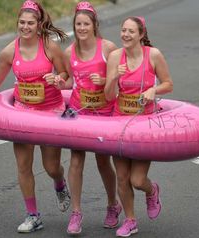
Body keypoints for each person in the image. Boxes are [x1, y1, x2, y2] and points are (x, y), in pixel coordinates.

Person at [0, 0, 71, 233]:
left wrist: (57, 79)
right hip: (23, 114)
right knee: (23, 166)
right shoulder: (9, 51)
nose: (25, 27)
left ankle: (59, 184)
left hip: (50, 112)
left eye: (30, 23)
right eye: (22, 23)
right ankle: (33, 216)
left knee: (51, 166)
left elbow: (65, 73)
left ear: (38, 25)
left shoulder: (49, 47)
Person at [104, 16, 173, 237]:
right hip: (120, 121)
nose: (125, 35)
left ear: (141, 34)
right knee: (122, 177)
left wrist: (154, 90)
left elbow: (168, 84)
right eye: (123, 30)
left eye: (131, 31)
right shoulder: (115, 57)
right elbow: (107, 95)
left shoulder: (153, 55)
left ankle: (151, 190)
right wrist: (114, 76)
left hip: (145, 123)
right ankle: (130, 220)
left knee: (137, 179)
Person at [59, 1, 121, 235]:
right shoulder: (69, 52)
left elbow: (119, 82)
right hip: (77, 110)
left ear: (95, 25)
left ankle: (112, 205)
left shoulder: (108, 48)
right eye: (78, 24)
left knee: (103, 162)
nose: (82, 28)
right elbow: (68, 82)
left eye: (86, 24)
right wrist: (58, 82)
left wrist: (104, 81)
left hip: (104, 111)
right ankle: (76, 213)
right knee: (75, 161)